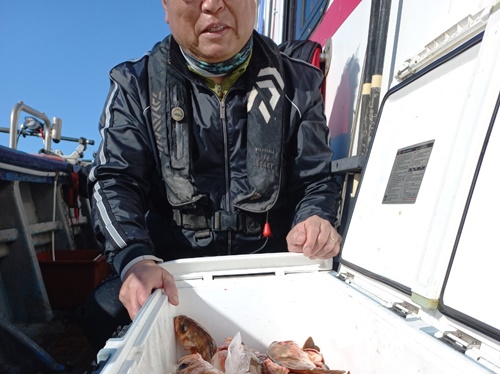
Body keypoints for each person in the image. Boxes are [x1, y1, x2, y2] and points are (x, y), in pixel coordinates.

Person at [89, 0, 342, 324]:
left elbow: (316, 180)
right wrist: (135, 257)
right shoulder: (134, 85)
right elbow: (115, 179)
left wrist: (314, 219)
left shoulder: (299, 83)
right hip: (171, 271)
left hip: (270, 269)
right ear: (166, 7)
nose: (212, 5)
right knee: (104, 311)